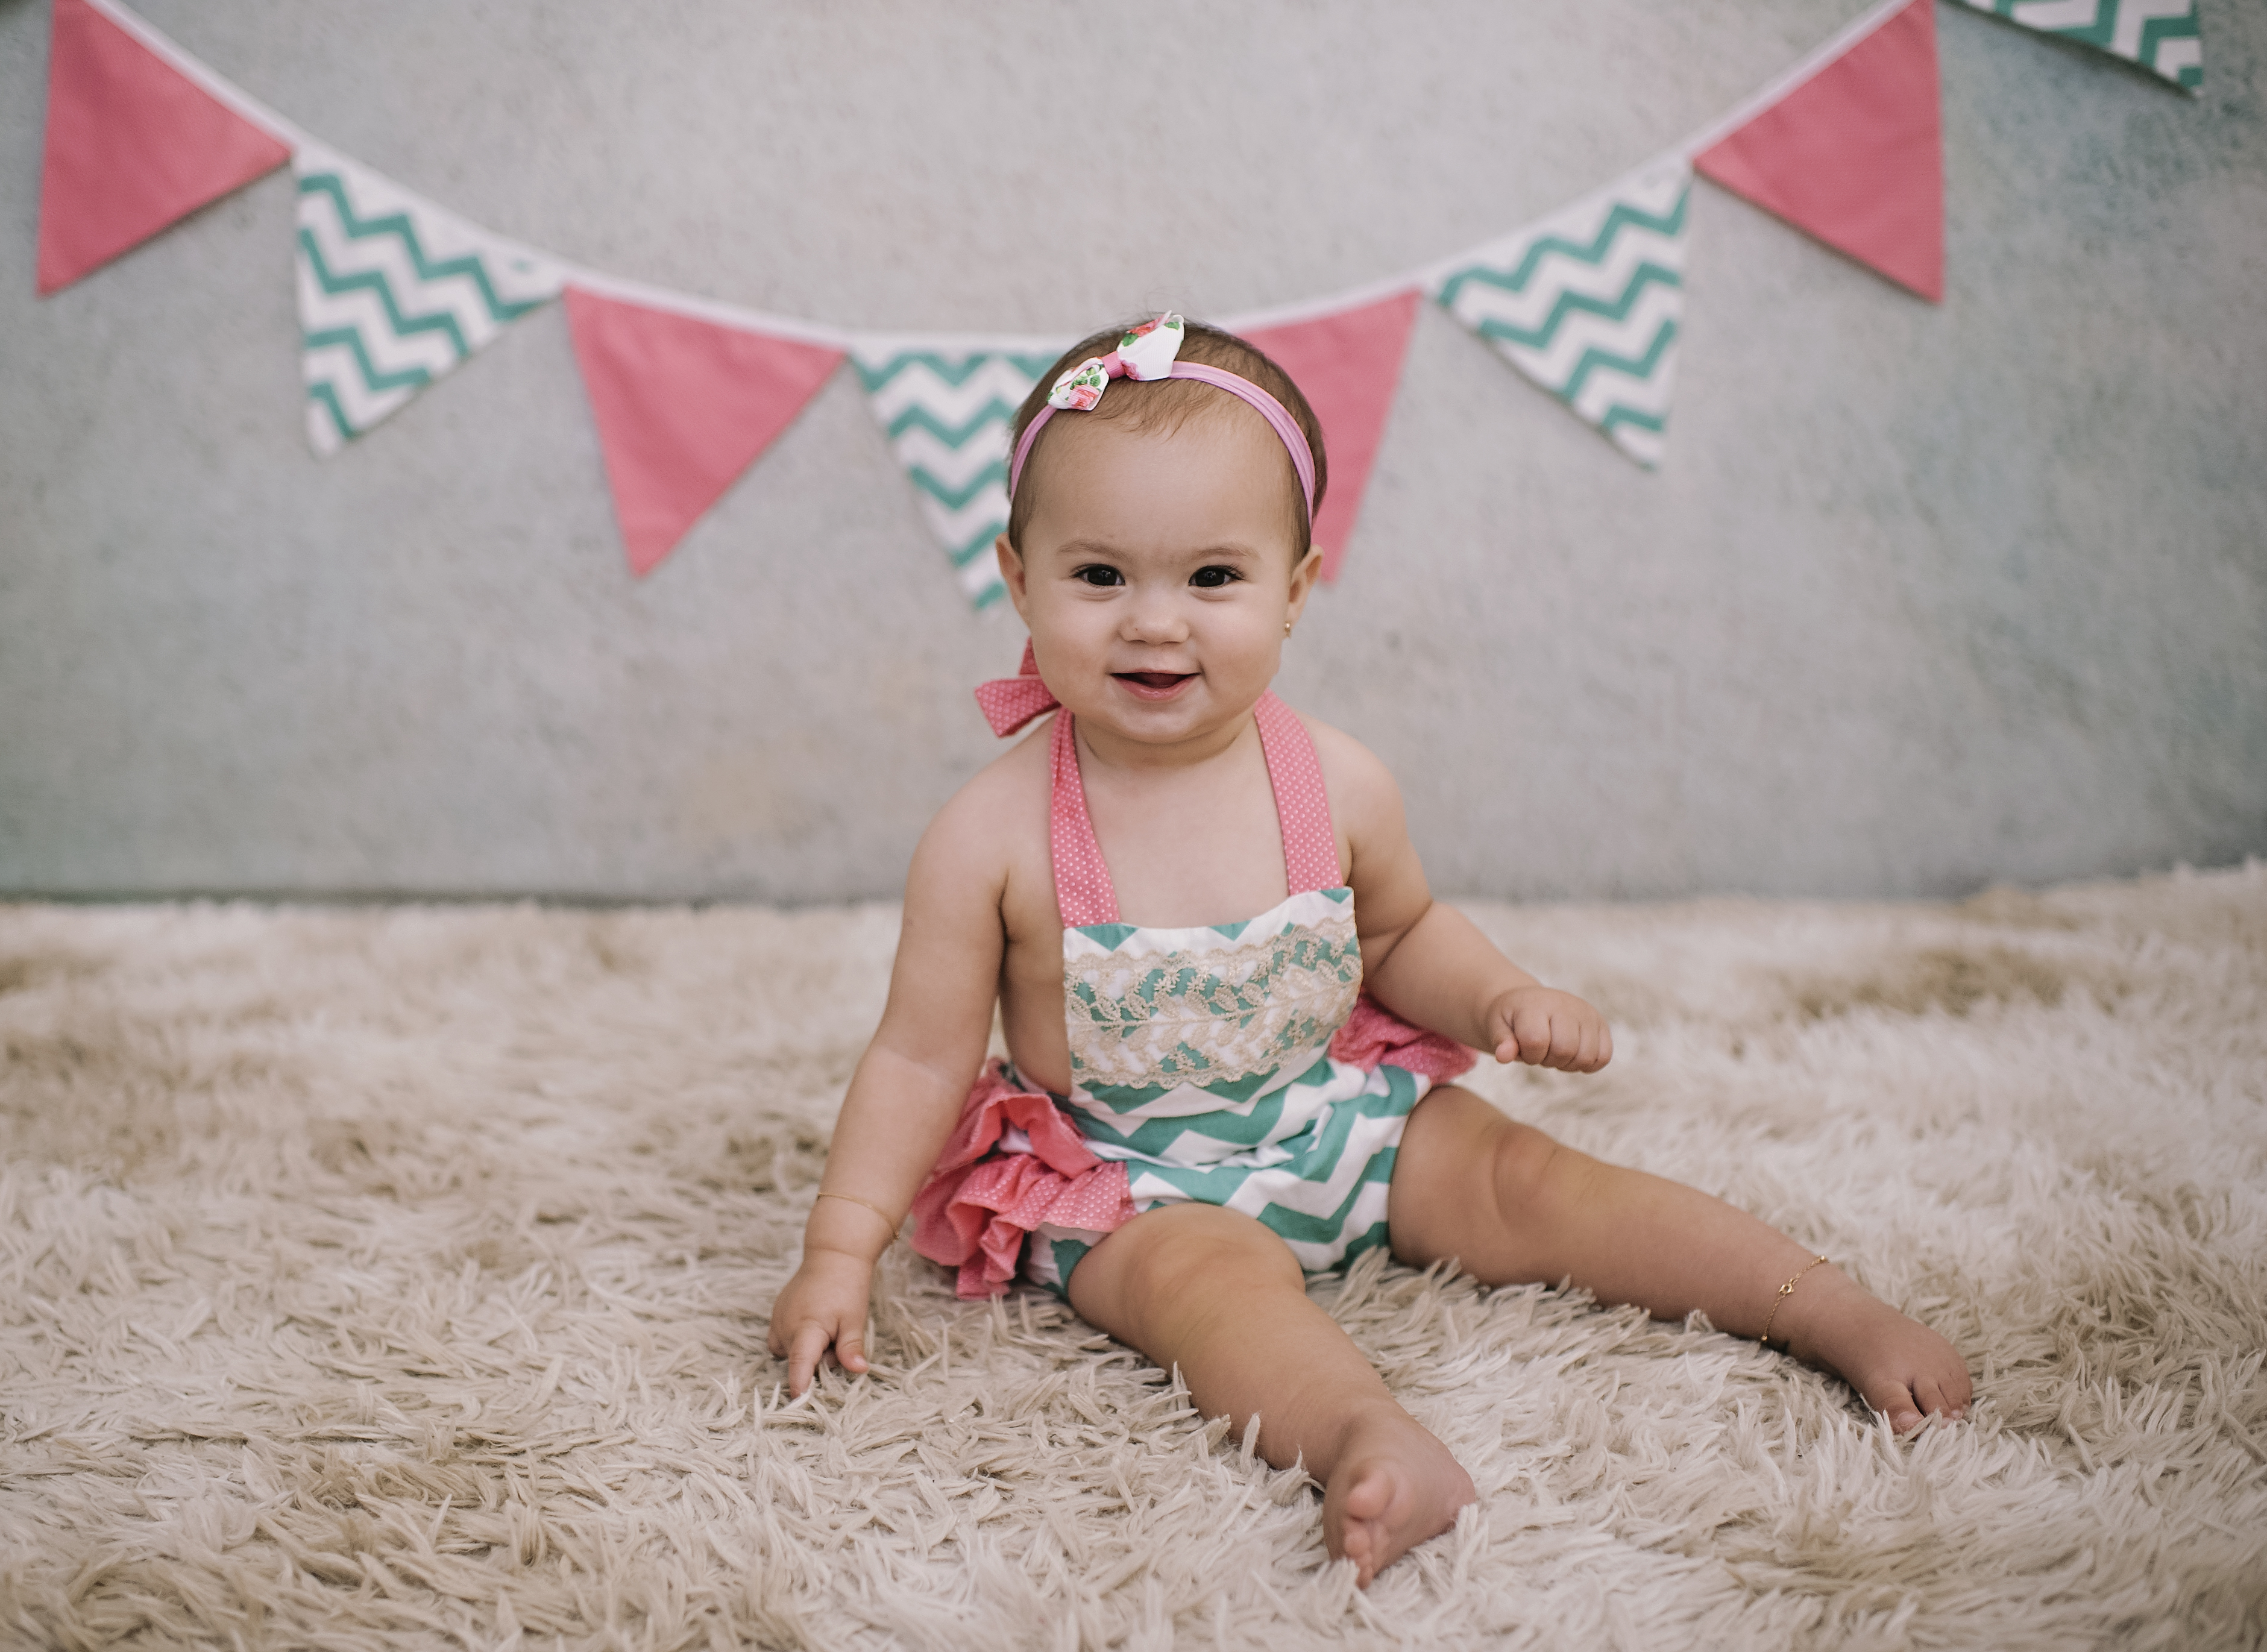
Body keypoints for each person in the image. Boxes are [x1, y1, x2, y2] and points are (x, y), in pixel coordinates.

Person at [768, 314, 1970, 1586]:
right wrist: (839, 1251)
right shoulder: (990, 836)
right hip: (1138, 1179)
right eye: (1101, 577)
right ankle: (1367, 1440)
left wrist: (1500, 992)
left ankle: (1817, 1303)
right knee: (1209, 1295)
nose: (1155, 625)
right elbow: (916, 1057)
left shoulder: (1333, 781)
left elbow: (1398, 934)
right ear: (1021, 581)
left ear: (1296, 589)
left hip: (1335, 1116)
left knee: (1531, 1179)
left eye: (1214, 579)